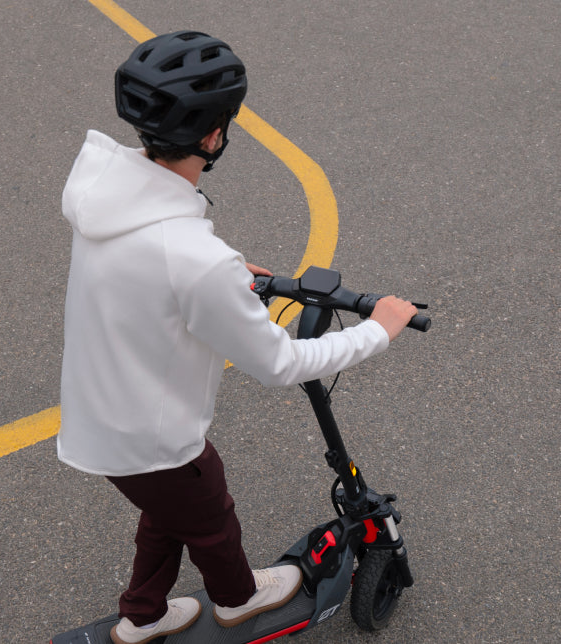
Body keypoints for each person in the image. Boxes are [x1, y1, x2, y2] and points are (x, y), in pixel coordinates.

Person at [56, 31, 419, 644]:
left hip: (102, 415)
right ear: (213, 135)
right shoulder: (193, 259)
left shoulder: (108, 198)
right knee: (211, 519)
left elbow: (155, 272)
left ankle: (141, 618)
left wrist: (223, 276)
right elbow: (281, 364)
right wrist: (378, 331)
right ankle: (237, 600)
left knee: (167, 516)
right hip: (155, 435)